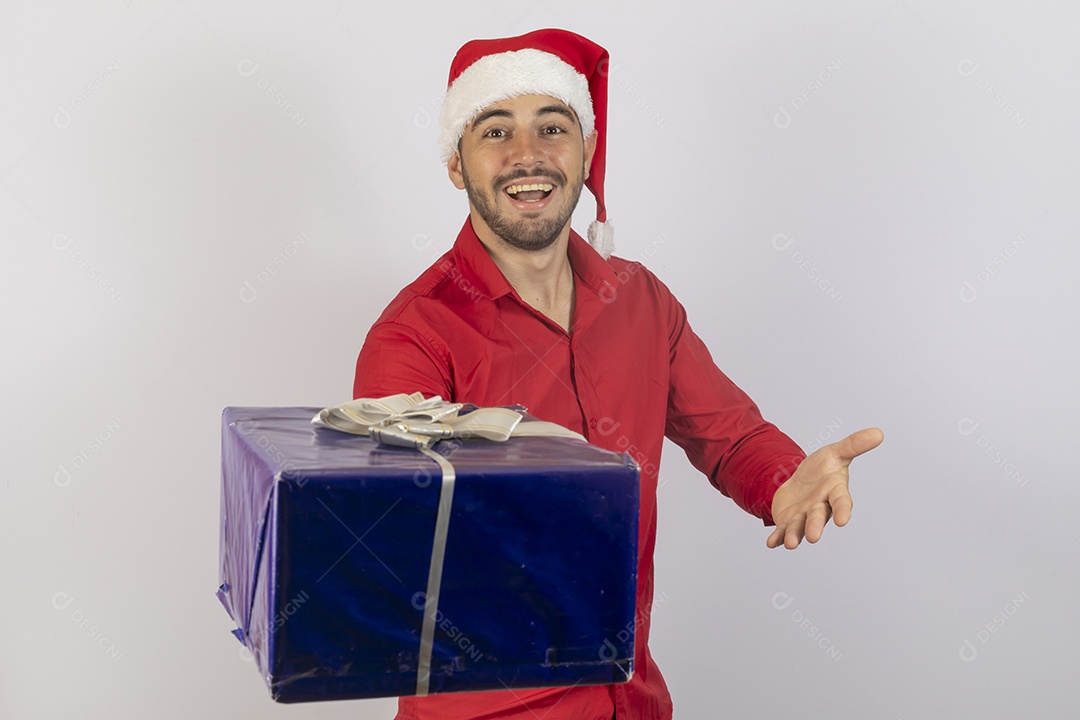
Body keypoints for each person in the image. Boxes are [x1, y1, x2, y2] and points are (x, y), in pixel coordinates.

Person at [353, 28, 883, 720]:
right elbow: (391, 549)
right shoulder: (413, 336)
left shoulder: (640, 300)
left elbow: (728, 435)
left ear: (586, 151)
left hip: (631, 701)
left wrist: (784, 482)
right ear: (457, 165)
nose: (528, 155)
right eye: (495, 132)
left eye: (553, 126)